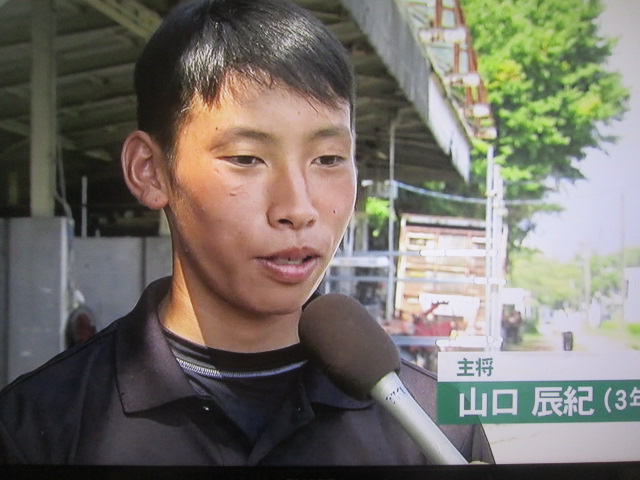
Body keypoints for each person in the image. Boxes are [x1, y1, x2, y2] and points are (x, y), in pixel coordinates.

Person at [0, 0, 493, 466]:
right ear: (150, 170)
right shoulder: (36, 431)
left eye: (328, 159)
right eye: (246, 158)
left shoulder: (438, 430)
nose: (297, 209)